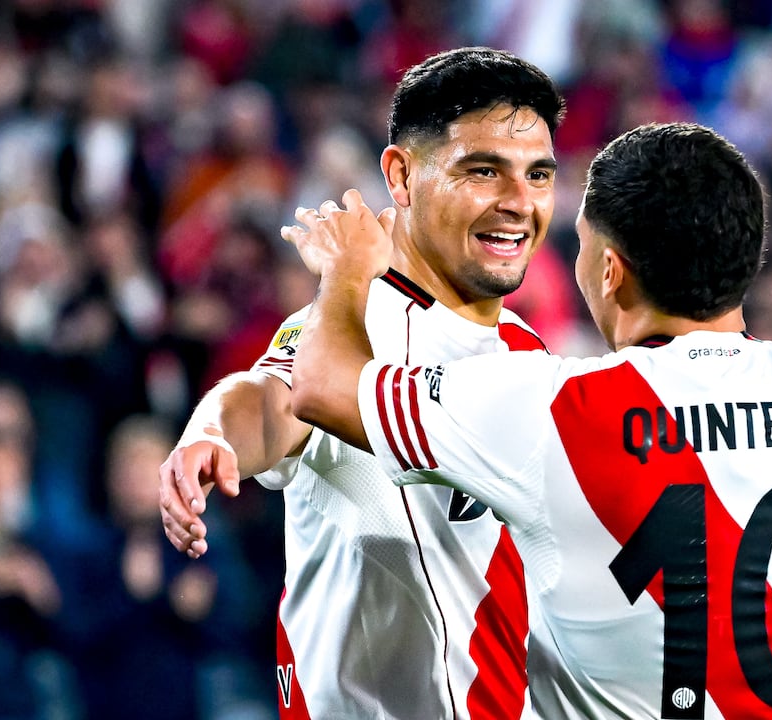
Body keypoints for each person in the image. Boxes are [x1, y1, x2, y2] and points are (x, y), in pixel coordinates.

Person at [285, 123, 772, 718]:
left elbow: (319, 388)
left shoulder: (554, 412)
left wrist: (346, 269)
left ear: (609, 270)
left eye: (580, 245)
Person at [158, 47, 565, 719]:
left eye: (538, 173)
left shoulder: (527, 351)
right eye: (484, 170)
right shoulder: (346, 328)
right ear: (401, 176)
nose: (519, 202)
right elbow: (267, 401)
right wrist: (209, 434)